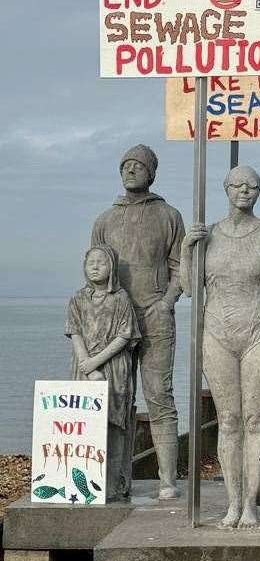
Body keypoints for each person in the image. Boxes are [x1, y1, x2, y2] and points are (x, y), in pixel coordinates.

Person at [181, 165, 260, 528]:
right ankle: (231, 502)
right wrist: (185, 249)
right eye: (238, 185)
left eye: (253, 186)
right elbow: (191, 288)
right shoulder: (208, 234)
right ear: (226, 189)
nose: (245, 191)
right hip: (217, 333)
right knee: (228, 420)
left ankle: (250, 504)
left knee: (256, 418)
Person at [91, 144, 185, 499]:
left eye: (138, 165)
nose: (130, 170)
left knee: (160, 396)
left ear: (152, 173)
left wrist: (166, 302)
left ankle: (168, 481)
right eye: (125, 165)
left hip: (155, 317)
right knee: (116, 398)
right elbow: (94, 272)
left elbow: (181, 268)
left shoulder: (168, 215)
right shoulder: (104, 220)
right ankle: (115, 479)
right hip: (114, 323)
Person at [65, 245, 141, 501]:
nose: (95, 266)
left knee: (114, 424)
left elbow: (124, 335)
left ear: (111, 268)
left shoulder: (121, 299)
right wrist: (87, 364)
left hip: (114, 368)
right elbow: (75, 332)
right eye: (91, 263)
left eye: (101, 262)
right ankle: (83, 485)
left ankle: (112, 485)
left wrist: (97, 361)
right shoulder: (77, 299)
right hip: (83, 368)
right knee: (82, 425)